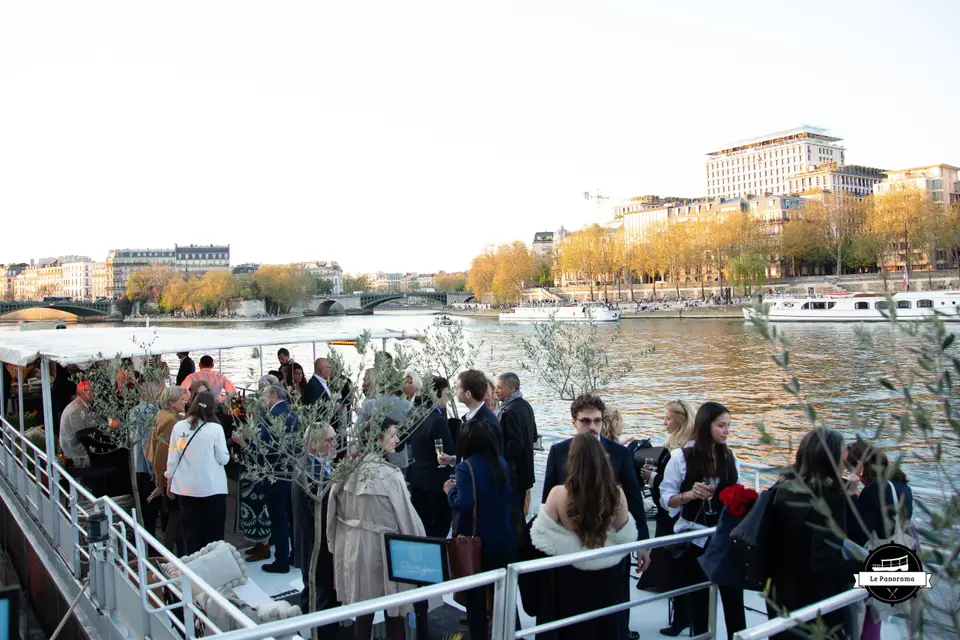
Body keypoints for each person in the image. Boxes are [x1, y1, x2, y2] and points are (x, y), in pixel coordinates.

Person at [541, 394, 649, 639]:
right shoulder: (559, 452)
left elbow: (634, 499)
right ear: (574, 422)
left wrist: (643, 543)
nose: (592, 427)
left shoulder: (619, 454)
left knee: (617, 597)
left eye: (597, 421)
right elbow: (547, 497)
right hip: (570, 547)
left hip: (612, 546)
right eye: (586, 421)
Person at [522, 433, 638, 639]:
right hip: (606, 577)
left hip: (570, 577)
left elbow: (540, 536)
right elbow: (623, 536)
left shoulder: (558, 494)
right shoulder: (617, 494)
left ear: (572, 461)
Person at [327, 417, 432, 640]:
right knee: (393, 610)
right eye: (392, 435)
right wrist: (421, 552)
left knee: (363, 612)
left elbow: (331, 513)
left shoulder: (346, 468)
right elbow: (408, 519)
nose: (397, 439)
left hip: (353, 547)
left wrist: (333, 543)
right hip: (384, 550)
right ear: (378, 439)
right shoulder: (391, 476)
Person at [658, 401, 745, 640]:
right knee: (700, 605)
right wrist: (689, 495)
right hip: (695, 540)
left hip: (725, 538)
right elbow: (667, 499)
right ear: (706, 426)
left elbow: (738, 491)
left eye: (728, 425)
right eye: (721, 425)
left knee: (734, 602)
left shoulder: (729, 457)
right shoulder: (681, 457)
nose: (726, 431)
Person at [765, 427, 855, 640]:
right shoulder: (831, 500)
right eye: (843, 452)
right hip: (814, 603)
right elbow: (826, 563)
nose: (847, 457)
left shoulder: (781, 487)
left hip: (780, 594)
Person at [445, 419, 516, 640]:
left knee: (476, 603)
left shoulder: (465, 468)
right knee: (504, 598)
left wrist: (449, 491)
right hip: (503, 538)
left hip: (477, 544)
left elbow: (465, 503)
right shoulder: (501, 463)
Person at [638, 399, 697, 635]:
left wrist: (652, 479)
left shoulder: (682, 451)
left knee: (678, 564)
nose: (664, 422)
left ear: (681, 421)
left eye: (668, 418)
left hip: (673, 514)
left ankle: (683, 617)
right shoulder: (675, 445)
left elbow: (673, 487)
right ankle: (684, 615)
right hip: (669, 513)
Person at [845, 441, 914, 640]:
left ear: (859, 467)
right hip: (897, 557)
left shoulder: (874, 490)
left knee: (862, 613)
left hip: (875, 558)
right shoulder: (901, 486)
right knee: (877, 614)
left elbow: (860, 532)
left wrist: (852, 495)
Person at [164, 391, 230, 554]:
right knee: (214, 534)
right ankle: (214, 570)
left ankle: (195, 568)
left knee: (192, 533)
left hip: (186, 488)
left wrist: (169, 479)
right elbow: (223, 458)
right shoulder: (215, 429)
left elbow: (173, 456)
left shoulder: (179, 427)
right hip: (212, 488)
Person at [292, 424, 340, 638]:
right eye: (329, 441)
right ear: (313, 444)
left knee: (311, 594)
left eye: (333, 439)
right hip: (317, 548)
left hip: (308, 544)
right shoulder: (313, 472)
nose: (333, 444)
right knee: (323, 598)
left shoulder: (310, 465)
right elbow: (323, 512)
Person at [236, 374, 278, 563]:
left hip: (259, 472)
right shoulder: (262, 415)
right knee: (252, 506)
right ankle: (259, 543)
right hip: (251, 470)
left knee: (260, 508)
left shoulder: (269, 420)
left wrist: (242, 441)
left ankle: (265, 545)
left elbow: (260, 450)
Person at [407, 376, 456, 537]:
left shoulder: (414, 413)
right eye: (446, 393)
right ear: (438, 394)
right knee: (438, 530)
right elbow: (448, 451)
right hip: (436, 483)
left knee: (421, 527)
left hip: (416, 478)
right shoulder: (438, 420)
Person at [257, 384, 299, 573]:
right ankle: (296, 555)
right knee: (292, 515)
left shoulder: (272, 417)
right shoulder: (293, 412)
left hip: (275, 474)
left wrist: (246, 441)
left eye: (263, 395)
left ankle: (281, 560)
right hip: (293, 473)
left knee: (278, 518)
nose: (261, 400)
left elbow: (265, 449)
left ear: (273, 394)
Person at [147, 386, 187, 555]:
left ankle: (179, 554)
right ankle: (168, 556)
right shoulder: (172, 422)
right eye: (181, 399)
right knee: (176, 518)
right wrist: (162, 484)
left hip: (167, 477)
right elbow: (163, 455)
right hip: (172, 478)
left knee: (175, 520)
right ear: (171, 402)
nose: (185, 401)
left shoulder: (161, 415)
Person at [495, 372, 536, 522]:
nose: (495, 391)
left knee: (512, 514)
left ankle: (516, 543)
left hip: (514, 473)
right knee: (518, 512)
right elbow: (533, 436)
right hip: (526, 471)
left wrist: (496, 455)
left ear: (511, 388)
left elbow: (515, 444)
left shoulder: (509, 410)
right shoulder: (526, 406)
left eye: (499, 388)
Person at [128, 381, 162, 535]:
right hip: (147, 469)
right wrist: (154, 472)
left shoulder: (133, 410)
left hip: (137, 465)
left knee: (144, 507)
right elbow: (148, 446)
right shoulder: (151, 413)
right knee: (151, 510)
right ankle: (151, 547)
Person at [455, 370, 501, 450]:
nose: (455, 391)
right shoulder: (471, 417)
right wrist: (453, 459)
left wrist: (463, 463)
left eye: (458, 388)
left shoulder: (485, 424)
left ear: (468, 394)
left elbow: (487, 460)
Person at [59, 381, 97, 468]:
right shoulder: (76, 410)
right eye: (92, 391)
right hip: (76, 453)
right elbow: (82, 436)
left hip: (78, 448)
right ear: (85, 392)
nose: (94, 394)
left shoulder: (81, 405)